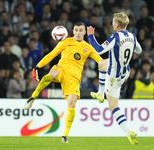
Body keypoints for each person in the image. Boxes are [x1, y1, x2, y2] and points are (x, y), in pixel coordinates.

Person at [24, 22, 103, 143]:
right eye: (76, 30)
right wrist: (37, 67)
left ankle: (65, 136)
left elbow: (100, 61)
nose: (77, 32)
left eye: (80, 30)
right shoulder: (65, 42)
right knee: (51, 75)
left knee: (72, 105)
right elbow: (51, 55)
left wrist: (112, 68)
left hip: (74, 79)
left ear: (84, 32)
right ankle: (33, 97)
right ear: (73, 31)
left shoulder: (88, 47)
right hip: (61, 69)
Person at [87, 12, 142, 145]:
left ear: (117, 24)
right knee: (101, 64)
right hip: (126, 72)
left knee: (113, 107)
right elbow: (139, 51)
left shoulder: (114, 37)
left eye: (112, 21)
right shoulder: (132, 36)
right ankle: (100, 94)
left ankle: (128, 131)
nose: (112, 23)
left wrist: (90, 36)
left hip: (114, 78)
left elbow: (99, 50)